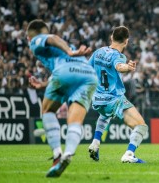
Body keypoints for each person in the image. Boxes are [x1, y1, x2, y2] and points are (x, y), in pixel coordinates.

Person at [27, 19, 98, 177]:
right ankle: (69, 153)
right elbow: (65, 71)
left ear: (28, 37)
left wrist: (69, 51)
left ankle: (58, 155)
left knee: (47, 110)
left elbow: (53, 38)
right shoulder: (63, 51)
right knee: (75, 121)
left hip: (67, 72)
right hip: (88, 75)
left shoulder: (36, 40)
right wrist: (43, 84)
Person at [88, 26, 148, 163]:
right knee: (142, 126)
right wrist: (128, 67)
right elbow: (119, 66)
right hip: (113, 99)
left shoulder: (98, 52)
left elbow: (87, 69)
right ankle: (129, 154)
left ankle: (95, 143)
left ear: (111, 37)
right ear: (126, 41)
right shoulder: (118, 56)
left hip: (97, 99)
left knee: (105, 115)